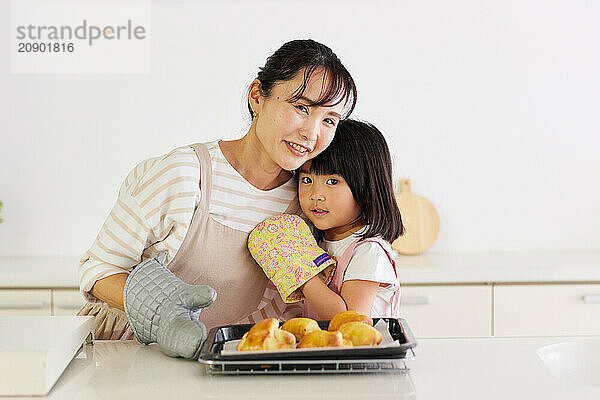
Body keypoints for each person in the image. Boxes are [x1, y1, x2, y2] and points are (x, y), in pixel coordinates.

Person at [77, 39, 357, 358]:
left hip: (229, 358)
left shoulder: (308, 202)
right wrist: (158, 309)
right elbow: (98, 269)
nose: (311, 132)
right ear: (257, 96)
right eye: (301, 107)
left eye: (329, 120)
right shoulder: (184, 174)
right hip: (130, 353)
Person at [297, 119, 404, 319]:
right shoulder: (316, 242)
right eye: (307, 180)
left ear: (366, 186)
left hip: (365, 350)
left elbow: (348, 321)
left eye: (332, 181)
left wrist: (299, 274)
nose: (316, 195)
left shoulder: (368, 250)